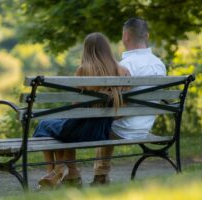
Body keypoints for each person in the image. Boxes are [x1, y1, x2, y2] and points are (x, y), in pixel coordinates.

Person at [33, 32, 130, 188]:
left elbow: (75, 108)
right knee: (60, 128)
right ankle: (61, 173)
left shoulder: (83, 70)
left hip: (82, 131)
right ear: (107, 49)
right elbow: (121, 110)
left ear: (87, 50)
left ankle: (56, 172)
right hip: (102, 131)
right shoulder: (123, 71)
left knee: (44, 125)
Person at [91, 18, 167, 185]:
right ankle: (100, 176)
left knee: (106, 121)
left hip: (123, 129)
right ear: (146, 36)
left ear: (125, 36)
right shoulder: (159, 64)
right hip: (145, 126)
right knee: (111, 119)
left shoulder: (126, 66)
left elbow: (110, 100)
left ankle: (100, 175)